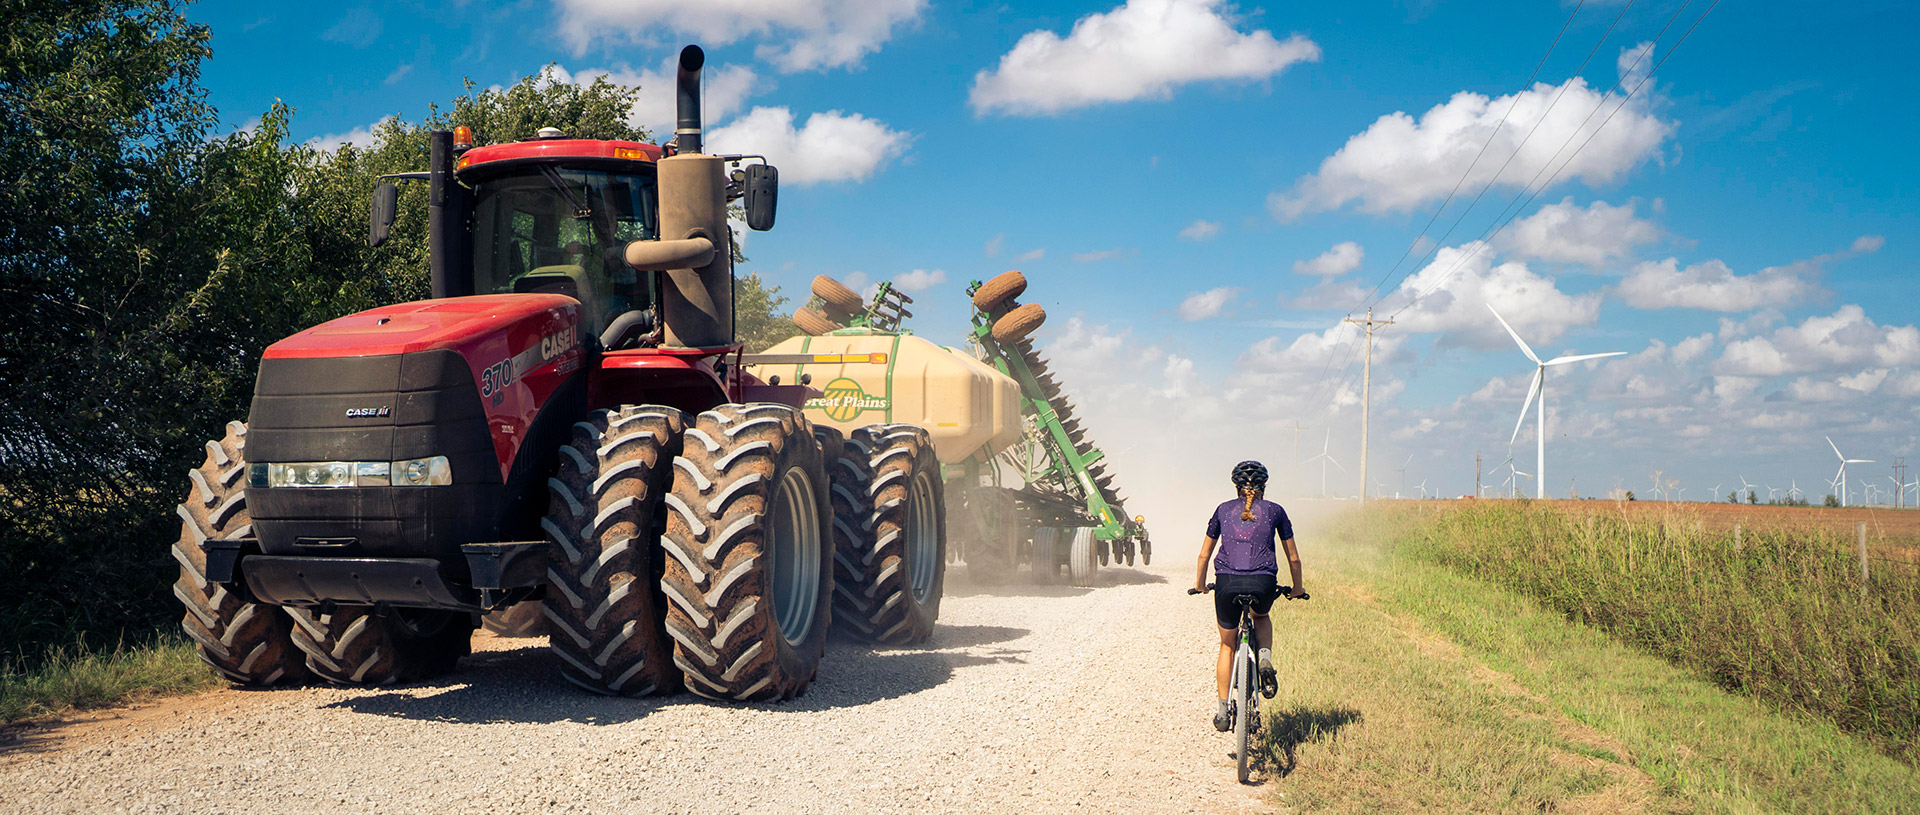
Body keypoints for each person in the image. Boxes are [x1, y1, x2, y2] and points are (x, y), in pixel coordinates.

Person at [1192, 460, 1304, 731]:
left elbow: (1204, 555)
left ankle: (1222, 710)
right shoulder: (1276, 511)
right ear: (1264, 486)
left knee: (1227, 645)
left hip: (1227, 583)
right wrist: (1297, 589)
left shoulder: (1222, 510)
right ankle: (1264, 658)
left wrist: (1200, 585)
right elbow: (1293, 558)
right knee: (1261, 615)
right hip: (1263, 583)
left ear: (1236, 487)